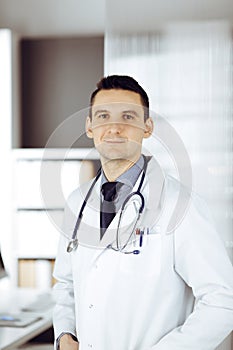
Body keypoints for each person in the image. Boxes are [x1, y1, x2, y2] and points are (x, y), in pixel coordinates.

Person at [53, 75, 233, 350]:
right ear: (90, 126)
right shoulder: (77, 202)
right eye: (103, 116)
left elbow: (223, 302)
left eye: (127, 116)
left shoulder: (180, 205)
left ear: (147, 127)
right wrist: (64, 333)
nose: (114, 128)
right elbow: (65, 284)